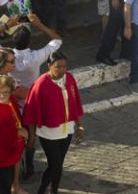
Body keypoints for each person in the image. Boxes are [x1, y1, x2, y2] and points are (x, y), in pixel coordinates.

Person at [22, 51, 85, 194]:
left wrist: (80, 125)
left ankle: (53, 190)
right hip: (49, 133)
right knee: (55, 165)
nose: (62, 70)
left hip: (67, 129)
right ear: (49, 66)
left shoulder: (69, 78)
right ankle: (43, 190)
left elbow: (75, 102)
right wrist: (31, 136)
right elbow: (30, 112)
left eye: (64, 66)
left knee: (58, 165)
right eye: (58, 67)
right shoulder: (40, 84)